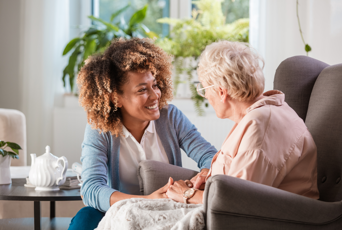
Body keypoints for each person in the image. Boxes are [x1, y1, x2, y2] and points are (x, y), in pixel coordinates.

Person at [68, 38, 218, 230]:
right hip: (118, 211)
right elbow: (91, 189)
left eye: (155, 85)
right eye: (142, 90)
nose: (156, 95)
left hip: (166, 210)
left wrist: (203, 176)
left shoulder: (170, 117)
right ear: (116, 98)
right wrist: (145, 200)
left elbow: (210, 158)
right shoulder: (99, 128)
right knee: (85, 218)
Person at [165, 40, 319, 204]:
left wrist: (187, 194)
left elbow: (238, 201)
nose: (206, 96)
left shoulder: (260, 124)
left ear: (221, 92)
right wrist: (209, 178)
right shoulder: (263, 113)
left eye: (203, 89)